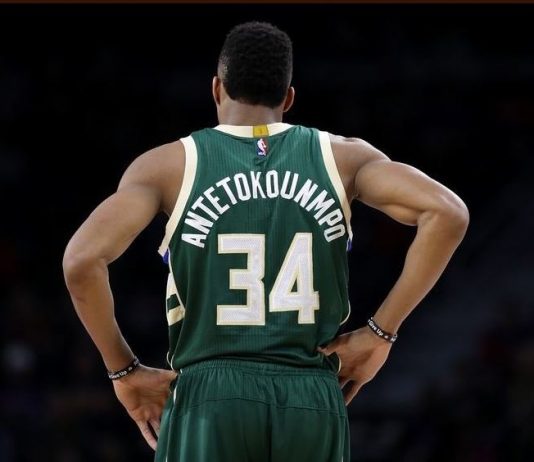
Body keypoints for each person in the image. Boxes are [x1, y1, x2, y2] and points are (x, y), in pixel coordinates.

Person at [63, 21, 469, 462]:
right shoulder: (344, 158)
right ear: (288, 98)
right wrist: (380, 333)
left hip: (209, 395)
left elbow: (81, 262)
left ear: (217, 89)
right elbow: (447, 213)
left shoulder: (166, 167)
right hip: (312, 393)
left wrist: (123, 370)